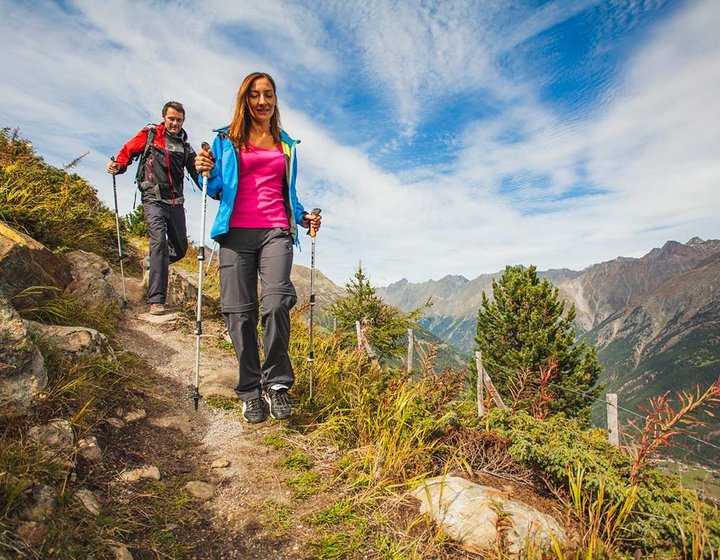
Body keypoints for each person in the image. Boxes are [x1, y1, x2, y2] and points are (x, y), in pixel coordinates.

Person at [194, 72, 321, 423]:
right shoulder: (226, 140)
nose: (262, 101)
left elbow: (287, 194)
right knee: (239, 314)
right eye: (254, 95)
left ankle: (277, 383)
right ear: (244, 99)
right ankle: (250, 390)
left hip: (276, 230)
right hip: (235, 232)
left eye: (268, 94)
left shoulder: (285, 145)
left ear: (276, 99)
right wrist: (201, 168)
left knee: (277, 300)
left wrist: (302, 218)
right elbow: (216, 187)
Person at [107, 101, 200, 315]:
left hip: (176, 201)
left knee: (181, 248)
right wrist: (118, 166)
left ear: (183, 121)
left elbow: (197, 172)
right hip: (152, 198)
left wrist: (216, 190)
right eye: (172, 119)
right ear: (164, 118)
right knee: (158, 242)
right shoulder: (151, 135)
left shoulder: (185, 147)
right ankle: (156, 300)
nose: (175, 123)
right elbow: (127, 151)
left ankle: (150, 262)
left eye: (179, 120)